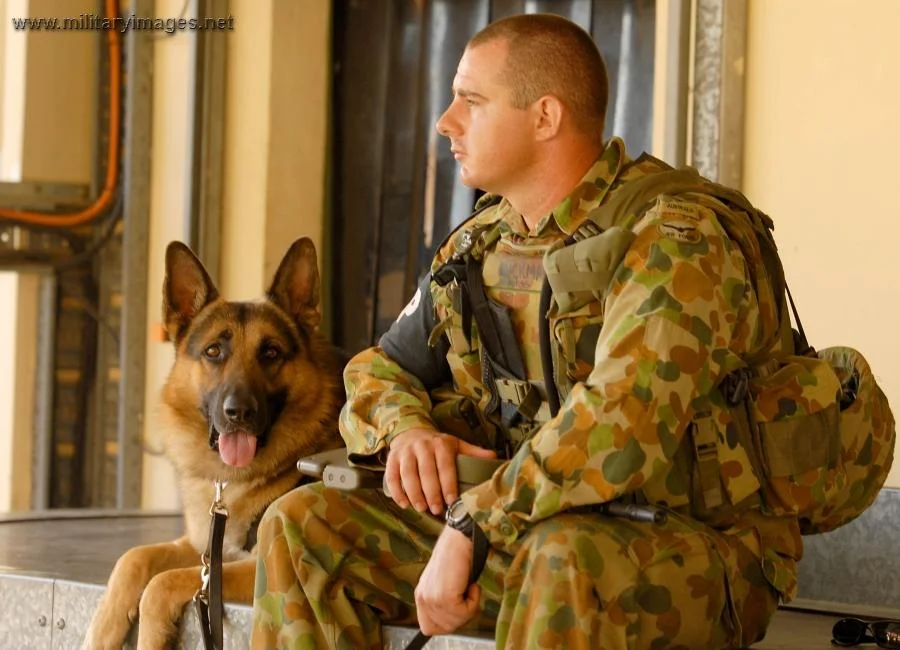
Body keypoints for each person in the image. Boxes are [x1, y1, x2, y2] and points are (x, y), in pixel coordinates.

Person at [250, 12, 801, 650]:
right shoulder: (483, 243)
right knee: (302, 523)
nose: (444, 121)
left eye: (471, 101)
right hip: (528, 527)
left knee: (563, 559)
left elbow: (620, 427)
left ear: (545, 117)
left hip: (693, 550)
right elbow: (376, 371)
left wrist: (474, 523)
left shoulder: (675, 238)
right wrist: (407, 432)